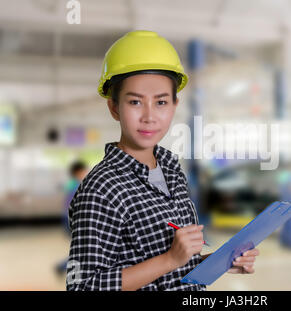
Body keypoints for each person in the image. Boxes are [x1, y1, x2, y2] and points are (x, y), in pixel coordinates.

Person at [66, 31, 259, 291]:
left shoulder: (171, 170)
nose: (149, 116)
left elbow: (179, 268)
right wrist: (170, 259)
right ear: (114, 107)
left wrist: (222, 262)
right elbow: (82, 287)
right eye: (135, 102)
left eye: (161, 102)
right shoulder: (101, 189)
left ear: (174, 105)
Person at [55, 160, 88, 275]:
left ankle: (64, 267)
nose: (87, 172)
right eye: (85, 170)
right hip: (73, 220)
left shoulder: (72, 184)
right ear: (78, 172)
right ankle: (63, 267)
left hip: (68, 219)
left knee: (82, 249)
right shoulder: (77, 185)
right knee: (83, 250)